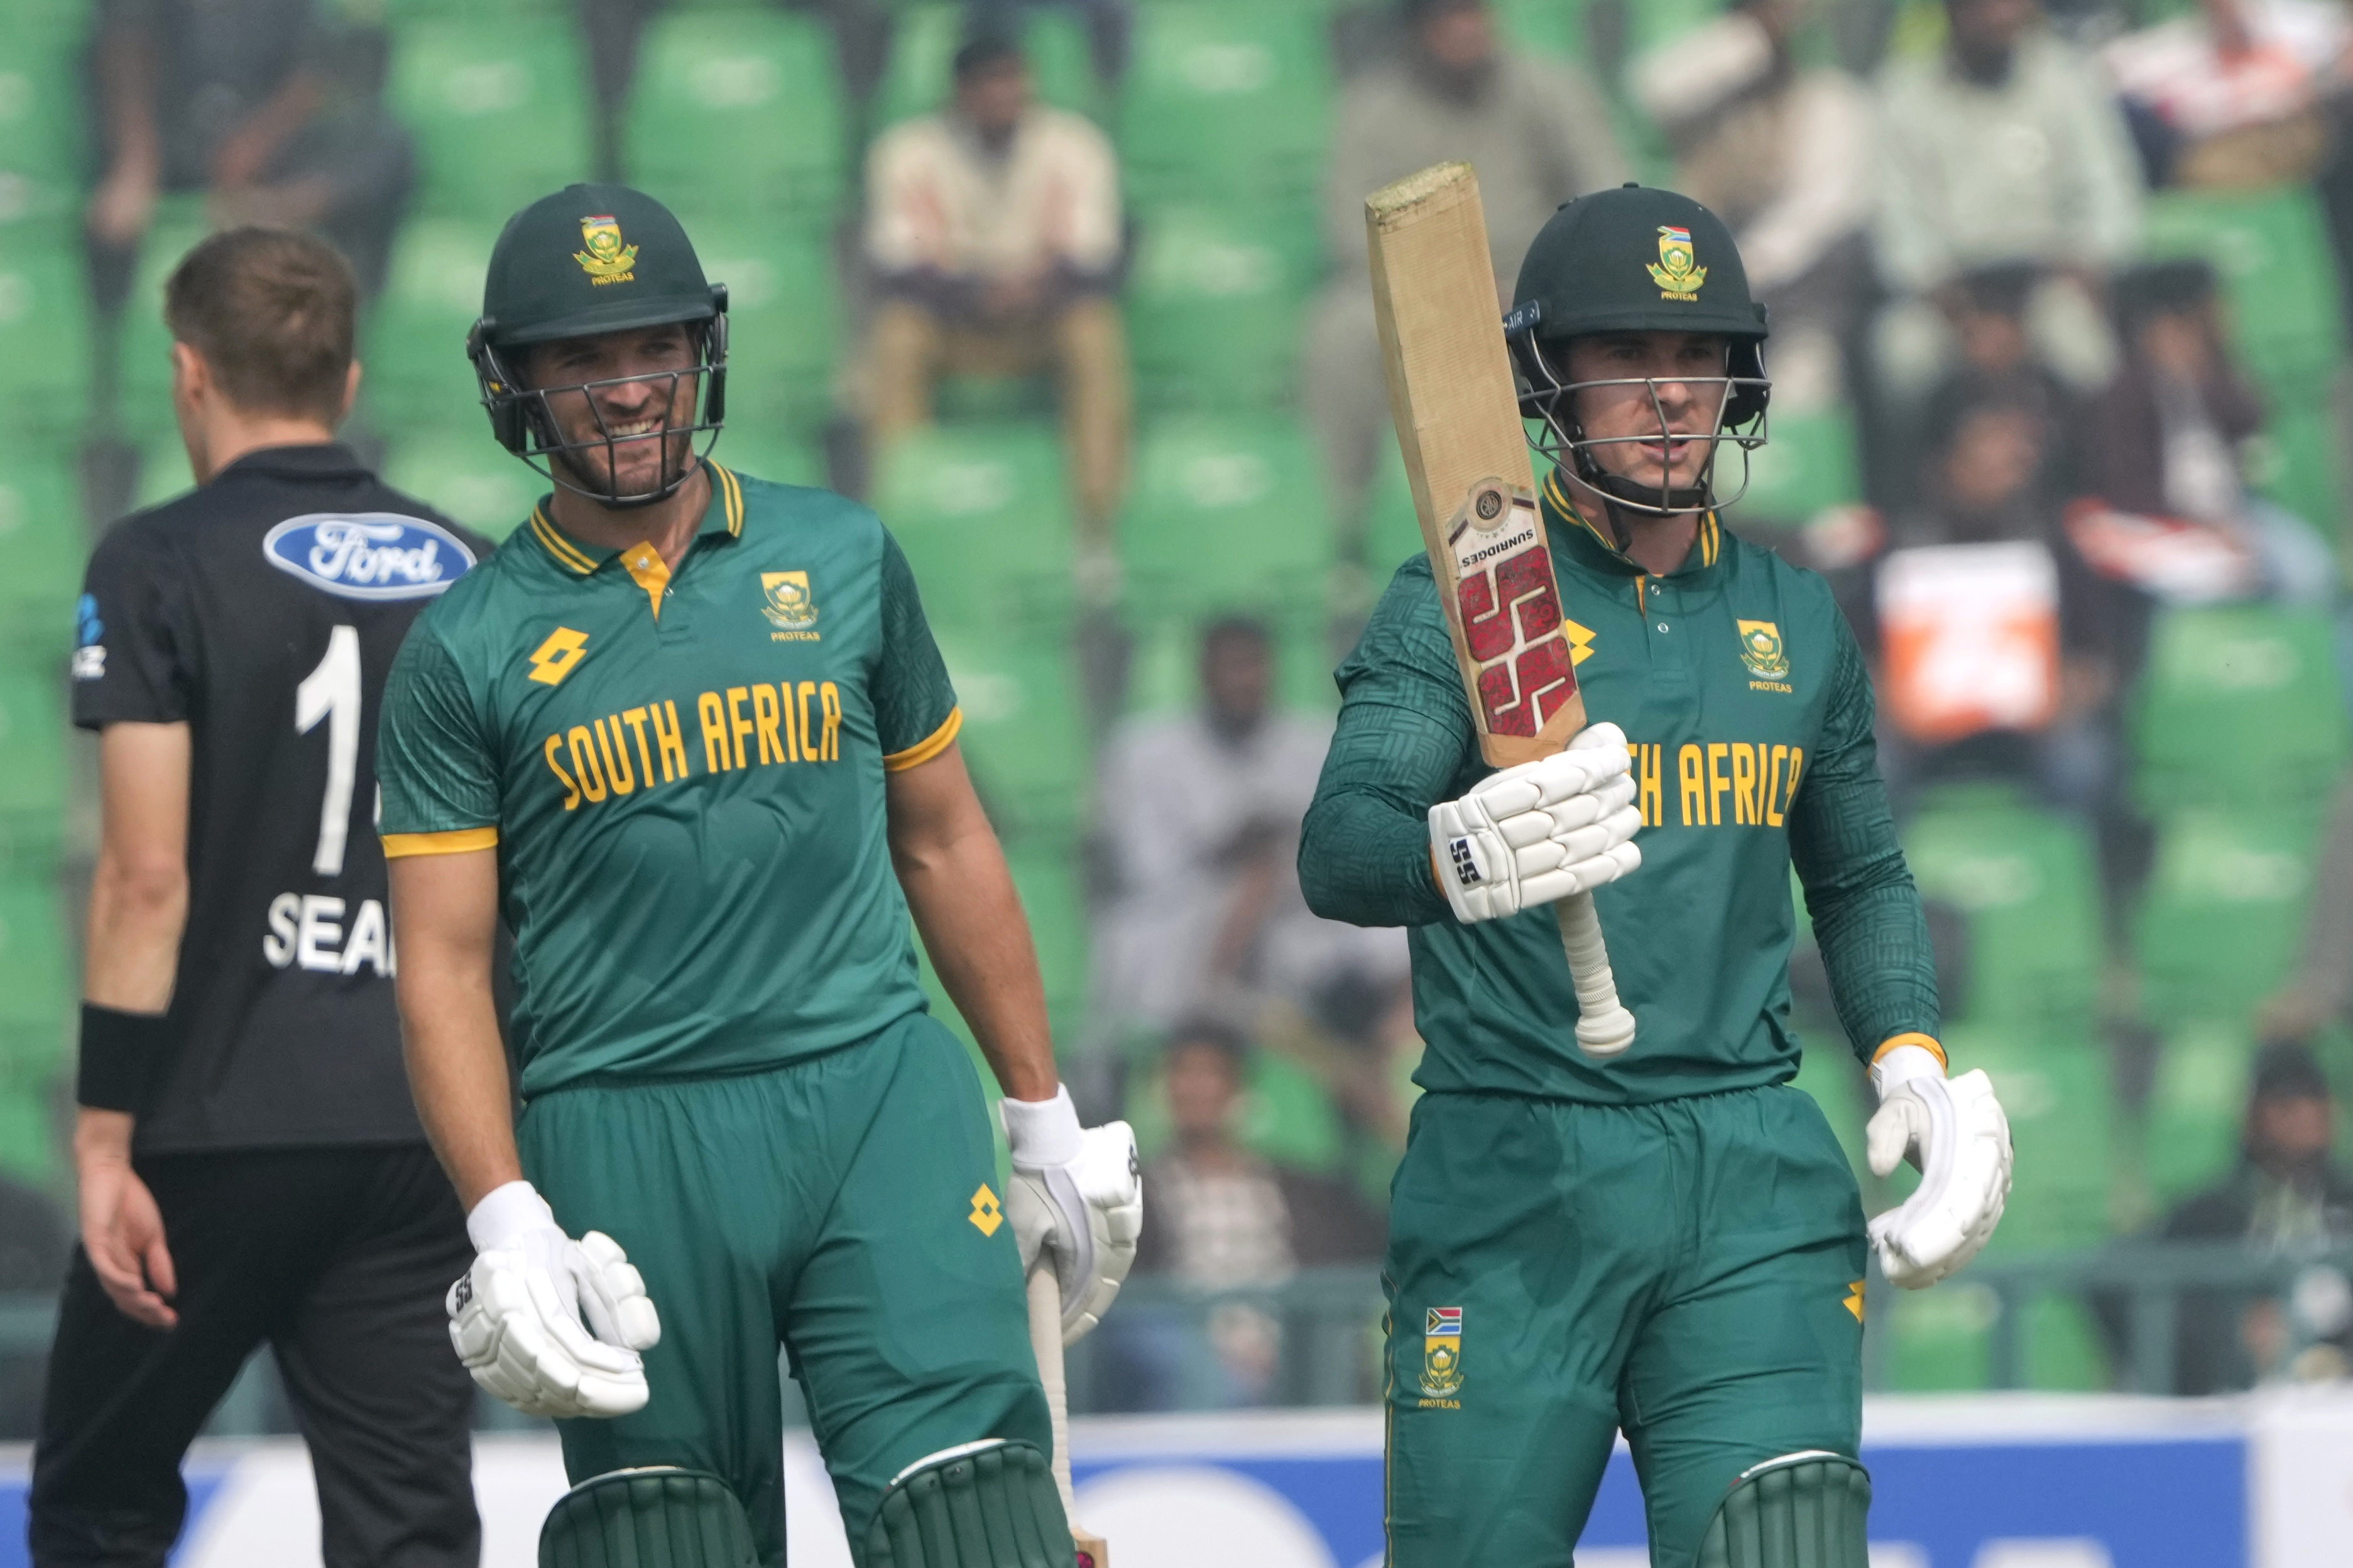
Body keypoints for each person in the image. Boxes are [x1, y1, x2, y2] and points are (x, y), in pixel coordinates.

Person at [375, 183, 1142, 1568]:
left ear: (704, 352)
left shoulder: (840, 554)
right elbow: (439, 964)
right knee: (666, 1539)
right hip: (626, 1135)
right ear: (515, 385)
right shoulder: (463, 649)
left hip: (874, 1097)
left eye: (655, 348)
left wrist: (1042, 1113)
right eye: (583, 360)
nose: (628, 389)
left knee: (975, 1518)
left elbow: (945, 840)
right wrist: (503, 1214)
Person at [1297, 185, 2014, 1566]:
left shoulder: (1796, 616)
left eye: (1698, 357)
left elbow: (1860, 878)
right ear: (1547, 382)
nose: (1672, 393)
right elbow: (1342, 845)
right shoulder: (1456, 600)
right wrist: (1464, 851)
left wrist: (1910, 1061)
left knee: (1784, 1541)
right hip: (1516, 1176)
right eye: (1626, 356)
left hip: (1751, 1175)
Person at [33, 227, 487, 1568]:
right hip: (417, 1125)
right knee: (408, 1530)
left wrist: (104, 1140)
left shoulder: (154, 560)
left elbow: (145, 878)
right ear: (347, 381)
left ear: (188, 373)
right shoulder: (474, 567)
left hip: (212, 1125)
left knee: (99, 1507)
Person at [1302, 0, 1626, 528]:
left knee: (1626, 309)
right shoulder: (1372, 109)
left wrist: (1537, 281)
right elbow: (1350, 233)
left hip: (1537, 283)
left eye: (1475, 10)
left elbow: (1607, 202)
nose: (1467, 26)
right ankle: (1349, 527)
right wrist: (1448, 290)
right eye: (1449, 14)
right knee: (1340, 332)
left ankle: (1630, 501)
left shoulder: (1550, 88)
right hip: (1424, 295)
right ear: (1415, 26)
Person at [1089, 618, 1407, 1070]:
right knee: (1258, 872)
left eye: (1253, 666)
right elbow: (1148, 872)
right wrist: (1230, 843)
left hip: (1300, 920)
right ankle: (1217, 1007)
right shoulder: (1144, 751)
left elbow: (1353, 849)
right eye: (1231, 667)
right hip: (1187, 924)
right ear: (1203, 673)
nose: (1243, 680)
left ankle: (1381, 1059)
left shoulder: (1316, 741)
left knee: (1411, 920)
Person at [861, 36, 1129, 550]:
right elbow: (897, 264)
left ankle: (1096, 524)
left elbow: (1094, 258)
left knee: (1094, 331)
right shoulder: (908, 151)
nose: (1005, 95)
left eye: (1013, 80)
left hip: (1040, 321)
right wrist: (976, 291)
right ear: (962, 92)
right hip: (953, 325)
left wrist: (1027, 290)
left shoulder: (1074, 145)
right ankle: (902, 512)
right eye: (991, 83)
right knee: (897, 335)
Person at [82, 0, 415, 402]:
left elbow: (315, 67)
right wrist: (136, 162)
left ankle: (276, 210)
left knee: (388, 144)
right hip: (169, 138)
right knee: (110, 215)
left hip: (270, 147)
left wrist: (260, 141)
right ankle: (107, 394)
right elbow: (125, 46)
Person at [1870, 0, 2144, 402]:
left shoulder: (2067, 79)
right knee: (1903, 352)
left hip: (2049, 281)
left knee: (2078, 343)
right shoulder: (1904, 95)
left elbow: (2109, 196)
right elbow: (1899, 226)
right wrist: (1965, 316)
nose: (2001, 15)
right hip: (1954, 293)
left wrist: (2083, 265)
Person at [1113, 1021, 1385, 1408]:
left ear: (1239, 1089)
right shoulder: (1135, 1190)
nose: (1196, 1089)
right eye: (1183, 1073)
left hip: (1289, 1356)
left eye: (1212, 1074)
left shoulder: (1300, 1189)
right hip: (1186, 1364)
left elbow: (1351, 1261)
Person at [1629, 0, 1876, 410]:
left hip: (1792, 307)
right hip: (1691, 294)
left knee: (1803, 386)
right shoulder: (1710, 88)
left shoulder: (1832, 99)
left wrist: (1739, 270)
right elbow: (1650, 91)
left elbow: (1815, 216)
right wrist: (1753, 36)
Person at [2158, 1041, 2353, 1393]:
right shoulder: (2205, 1216)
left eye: (2315, 1104)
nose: (2303, 1118)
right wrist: (2231, 1330)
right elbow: (2125, 1287)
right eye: (2285, 1105)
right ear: (2253, 1115)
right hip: (2234, 1400)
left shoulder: (2346, 1203)